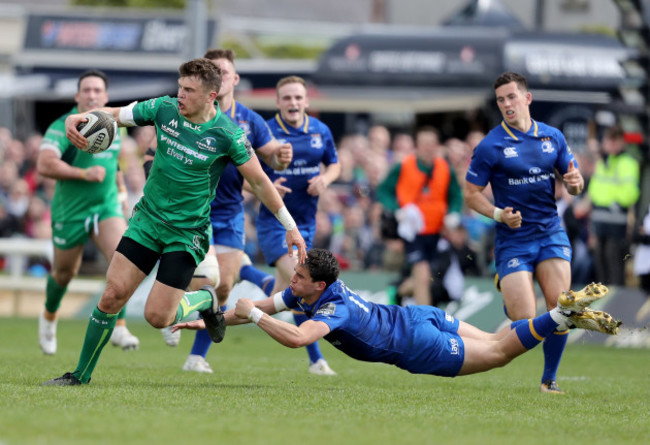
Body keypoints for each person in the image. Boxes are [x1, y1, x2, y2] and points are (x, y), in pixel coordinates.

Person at [42, 58, 307, 386]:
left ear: (211, 96)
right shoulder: (163, 109)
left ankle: (205, 299)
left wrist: (290, 226)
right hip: (147, 222)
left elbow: (260, 183)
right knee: (112, 294)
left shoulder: (228, 135)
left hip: (186, 235)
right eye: (180, 87)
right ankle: (79, 376)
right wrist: (77, 118)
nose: (179, 95)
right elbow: (114, 114)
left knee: (157, 317)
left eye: (189, 90)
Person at [172, 248, 620, 381]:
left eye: (299, 277)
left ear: (319, 285)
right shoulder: (306, 292)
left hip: (417, 344)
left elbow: (296, 339)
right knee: (496, 336)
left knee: (502, 351)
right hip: (419, 316)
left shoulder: (332, 306)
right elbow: (268, 305)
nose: (291, 280)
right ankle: (564, 317)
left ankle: (562, 317)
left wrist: (253, 318)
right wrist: (210, 318)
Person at [463, 72, 585, 394]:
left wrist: (575, 183)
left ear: (526, 98)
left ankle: (549, 380)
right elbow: (471, 193)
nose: (506, 104)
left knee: (562, 308)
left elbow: (574, 179)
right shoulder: (490, 145)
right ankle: (507, 289)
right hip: (513, 241)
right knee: (524, 323)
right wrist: (498, 214)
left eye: (511, 97)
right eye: (501, 100)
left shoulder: (552, 137)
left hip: (549, 233)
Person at [178, 48, 293, 373]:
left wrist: (280, 157)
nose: (220, 76)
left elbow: (270, 155)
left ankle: (195, 356)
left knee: (223, 287)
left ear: (234, 79)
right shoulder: (186, 112)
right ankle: (169, 309)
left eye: (225, 72)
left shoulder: (249, 120)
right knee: (201, 280)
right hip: (192, 209)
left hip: (229, 212)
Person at [239, 76, 341, 375]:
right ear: (278, 102)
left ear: (306, 101)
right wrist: (267, 187)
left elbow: (335, 163)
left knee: (285, 293)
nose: (293, 103)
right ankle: (317, 360)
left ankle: (244, 271)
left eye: (298, 98)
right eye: (287, 98)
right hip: (275, 227)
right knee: (306, 285)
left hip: (306, 224)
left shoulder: (320, 131)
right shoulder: (265, 133)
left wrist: (326, 179)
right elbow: (243, 178)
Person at [36, 69, 139, 355]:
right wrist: (82, 173)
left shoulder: (114, 124)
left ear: (106, 97)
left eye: (98, 91)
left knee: (124, 258)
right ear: (77, 96)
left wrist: (120, 196)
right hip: (71, 210)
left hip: (105, 207)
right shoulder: (62, 126)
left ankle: (119, 327)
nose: (92, 95)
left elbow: (113, 166)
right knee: (64, 274)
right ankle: (48, 317)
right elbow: (44, 165)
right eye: (87, 90)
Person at [376, 126, 463, 306]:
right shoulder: (404, 165)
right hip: (412, 230)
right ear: (417, 145)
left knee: (426, 277)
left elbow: (455, 194)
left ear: (437, 145)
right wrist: (396, 209)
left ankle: (398, 291)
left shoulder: (444, 168)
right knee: (422, 275)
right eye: (424, 144)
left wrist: (453, 213)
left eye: (431, 144)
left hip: (436, 230)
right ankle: (426, 321)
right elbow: (383, 190)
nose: (428, 148)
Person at [587, 124, 640, 286]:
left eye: (610, 141)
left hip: (616, 224)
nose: (606, 145)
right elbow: (594, 190)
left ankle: (615, 305)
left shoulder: (628, 163)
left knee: (614, 266)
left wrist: (613, 202)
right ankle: (602, 305)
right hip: (600, 223)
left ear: (619, 142)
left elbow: (631, 193)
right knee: (600, 266)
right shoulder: (603, 162)